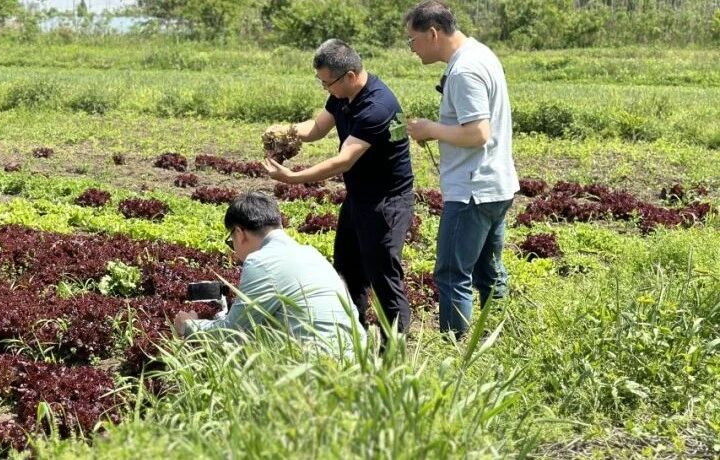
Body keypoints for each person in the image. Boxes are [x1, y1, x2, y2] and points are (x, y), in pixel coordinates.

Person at [261, 39, 415, 338]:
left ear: (350, 76)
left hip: (387, 202)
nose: (325, 89)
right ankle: (351, 337)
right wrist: (287, 130)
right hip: (359, 197)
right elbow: (317, 128)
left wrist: (293, 177)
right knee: (347, 270)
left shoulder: (377, 108)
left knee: (383, 276)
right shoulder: (343, 96)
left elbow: (344, 160)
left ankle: (393, 350)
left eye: (326, 83)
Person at [403, 1, 519, 337]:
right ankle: (501, 337)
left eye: (413, 41)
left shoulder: (465, 70)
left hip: (472, 191)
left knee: (453, 274)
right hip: (496, 185)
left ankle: (455, 351)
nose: (412, 49)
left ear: (433, 33)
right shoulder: (481, 53)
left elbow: (478, 133)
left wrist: (431, 129)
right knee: (488, 271)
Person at [172, 192, 363, 351]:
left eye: (231, 242)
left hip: (317, 369)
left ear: (239, 233)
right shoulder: (312, 254)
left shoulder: (261, 261)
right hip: (356, 361)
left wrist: (189, 325)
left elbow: (233, 333)